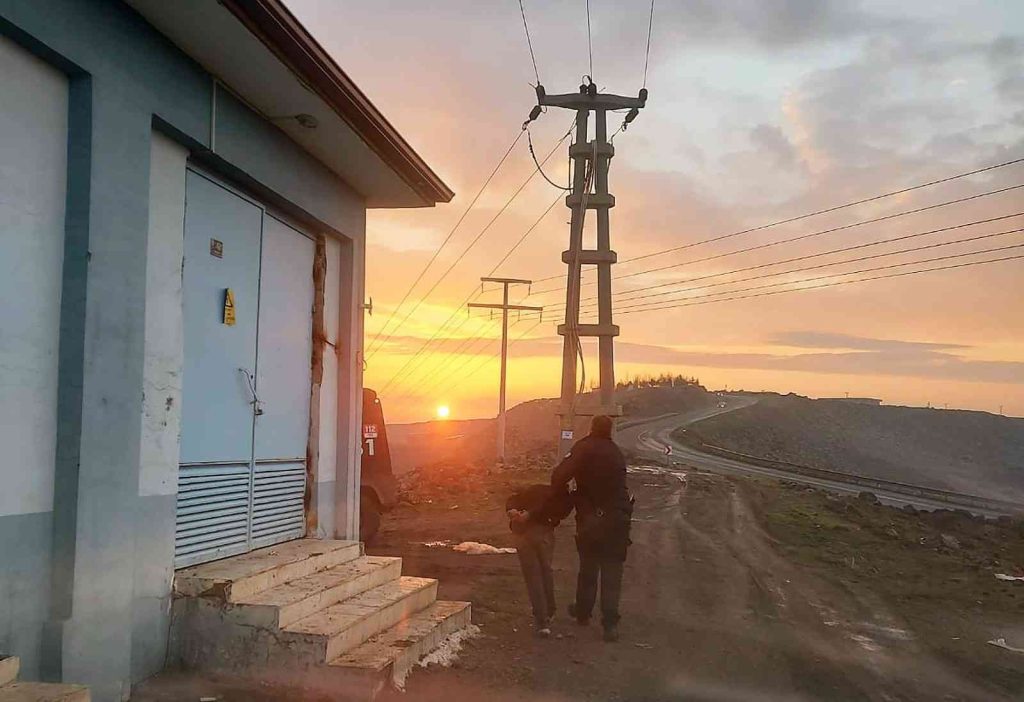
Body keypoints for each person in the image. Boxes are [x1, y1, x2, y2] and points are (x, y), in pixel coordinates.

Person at [552, 415, 634, 642]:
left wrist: (564, 498)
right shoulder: (616, 452)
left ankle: (583, 612)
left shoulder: (584, 447)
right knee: (612, 572)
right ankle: (610, 625)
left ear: (592, 427)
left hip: (592, 519)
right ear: (610, 429)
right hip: (618, 520)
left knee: (589, 567)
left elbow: (559, 476)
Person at [505, 483, 574, 637]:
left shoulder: (536, 489)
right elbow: (553, 510)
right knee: (545, 571)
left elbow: (514, 498)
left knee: (533, 576)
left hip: (523, 534)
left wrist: (513, 511)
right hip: (543, 534)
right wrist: (527, 514)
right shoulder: (563, 498)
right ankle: (548, 612)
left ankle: (542, 618)